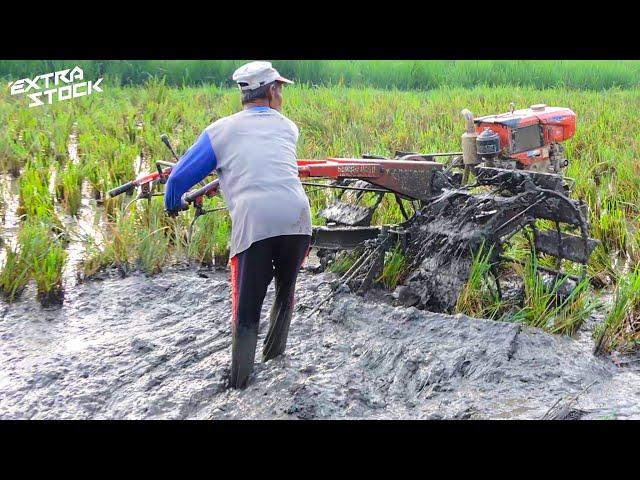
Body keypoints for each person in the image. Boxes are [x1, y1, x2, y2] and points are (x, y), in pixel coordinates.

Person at [164, 61, 312, 389]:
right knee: (285, 292)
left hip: (255, 225)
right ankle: (275, 362)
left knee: (246, 308)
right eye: (281, 90)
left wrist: (173, 204)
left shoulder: (220, 131)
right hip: (299, 221)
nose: (282, 96)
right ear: (271, 90)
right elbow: (265, 164)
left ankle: (240, 383)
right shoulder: (289, 128)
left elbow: (176, 181)